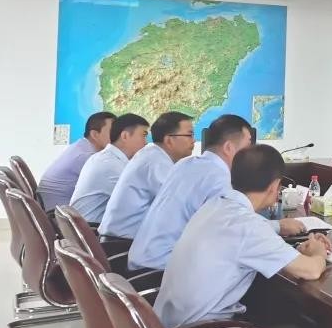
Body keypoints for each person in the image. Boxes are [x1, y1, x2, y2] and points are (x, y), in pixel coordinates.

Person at [153, 144, 331, 328]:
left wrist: (296, 253)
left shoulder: (215, 205)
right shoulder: (248, 226)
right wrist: (319, 252)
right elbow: (310, 271)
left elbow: (245, 242)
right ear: (274, 186)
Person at [130, 114, 303, 270]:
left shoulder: (187, 164)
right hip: (160, 267)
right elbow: (234, 229)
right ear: (228, 147)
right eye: (248, 144)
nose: (252, 150)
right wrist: (278, 226)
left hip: (144, 257)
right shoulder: (218, 178)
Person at [98, 111, 195, 240]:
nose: (194, 140)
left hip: (122, 239)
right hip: (123, 244)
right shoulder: (156, 162)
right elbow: (180, 205)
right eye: (189, 135)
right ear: (169, 140)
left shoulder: (153, 156)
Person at [69, 113, 149, 224]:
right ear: (125, 136)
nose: (146, 143)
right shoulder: (111, 165)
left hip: (88, 227)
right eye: (143, 135)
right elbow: (142, 204)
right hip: (93, 230)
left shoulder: (106, 158)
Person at [38, 112, 116, 211]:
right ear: (95, 134)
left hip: (56, 210)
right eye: (113, 131)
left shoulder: (81, 146)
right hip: (58, 213)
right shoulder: (86, 156)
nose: (118, 136)